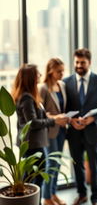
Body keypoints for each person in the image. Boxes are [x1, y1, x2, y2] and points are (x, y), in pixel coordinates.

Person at [12, 64, 68, 205]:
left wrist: (50, 118)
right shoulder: (26, 98)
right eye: (37, 74)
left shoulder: (28, 95)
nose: (40, 76)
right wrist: (53, 120)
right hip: (32, 144)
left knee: (32, 177)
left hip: (33, 143)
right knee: (35, 178)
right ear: (31, 77)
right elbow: (33, 123)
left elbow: (33, 119)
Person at [64, 48, 97, 205]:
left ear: (89, 63)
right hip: (74, 133)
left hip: (93, 131)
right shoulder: (66, 82)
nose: (79, 65)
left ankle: (96, 198)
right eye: (76, 62)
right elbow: (63, 108)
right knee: (77, 166)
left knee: (95, 167)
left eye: (82, 62)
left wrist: (92, 118)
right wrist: (71, 121)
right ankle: (82, 194)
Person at [39, 58, 67, 205]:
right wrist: (57, 117)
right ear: (50, 71)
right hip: (49, 132)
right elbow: (40, 114)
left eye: (63, 70)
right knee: (51, 164)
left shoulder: (62, 85)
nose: (62, 74)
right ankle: (46, 198)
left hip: (62, 130)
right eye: (59, 71)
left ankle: (53, 194)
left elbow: (63, 108)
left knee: (57, 163)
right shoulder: (43, 88)